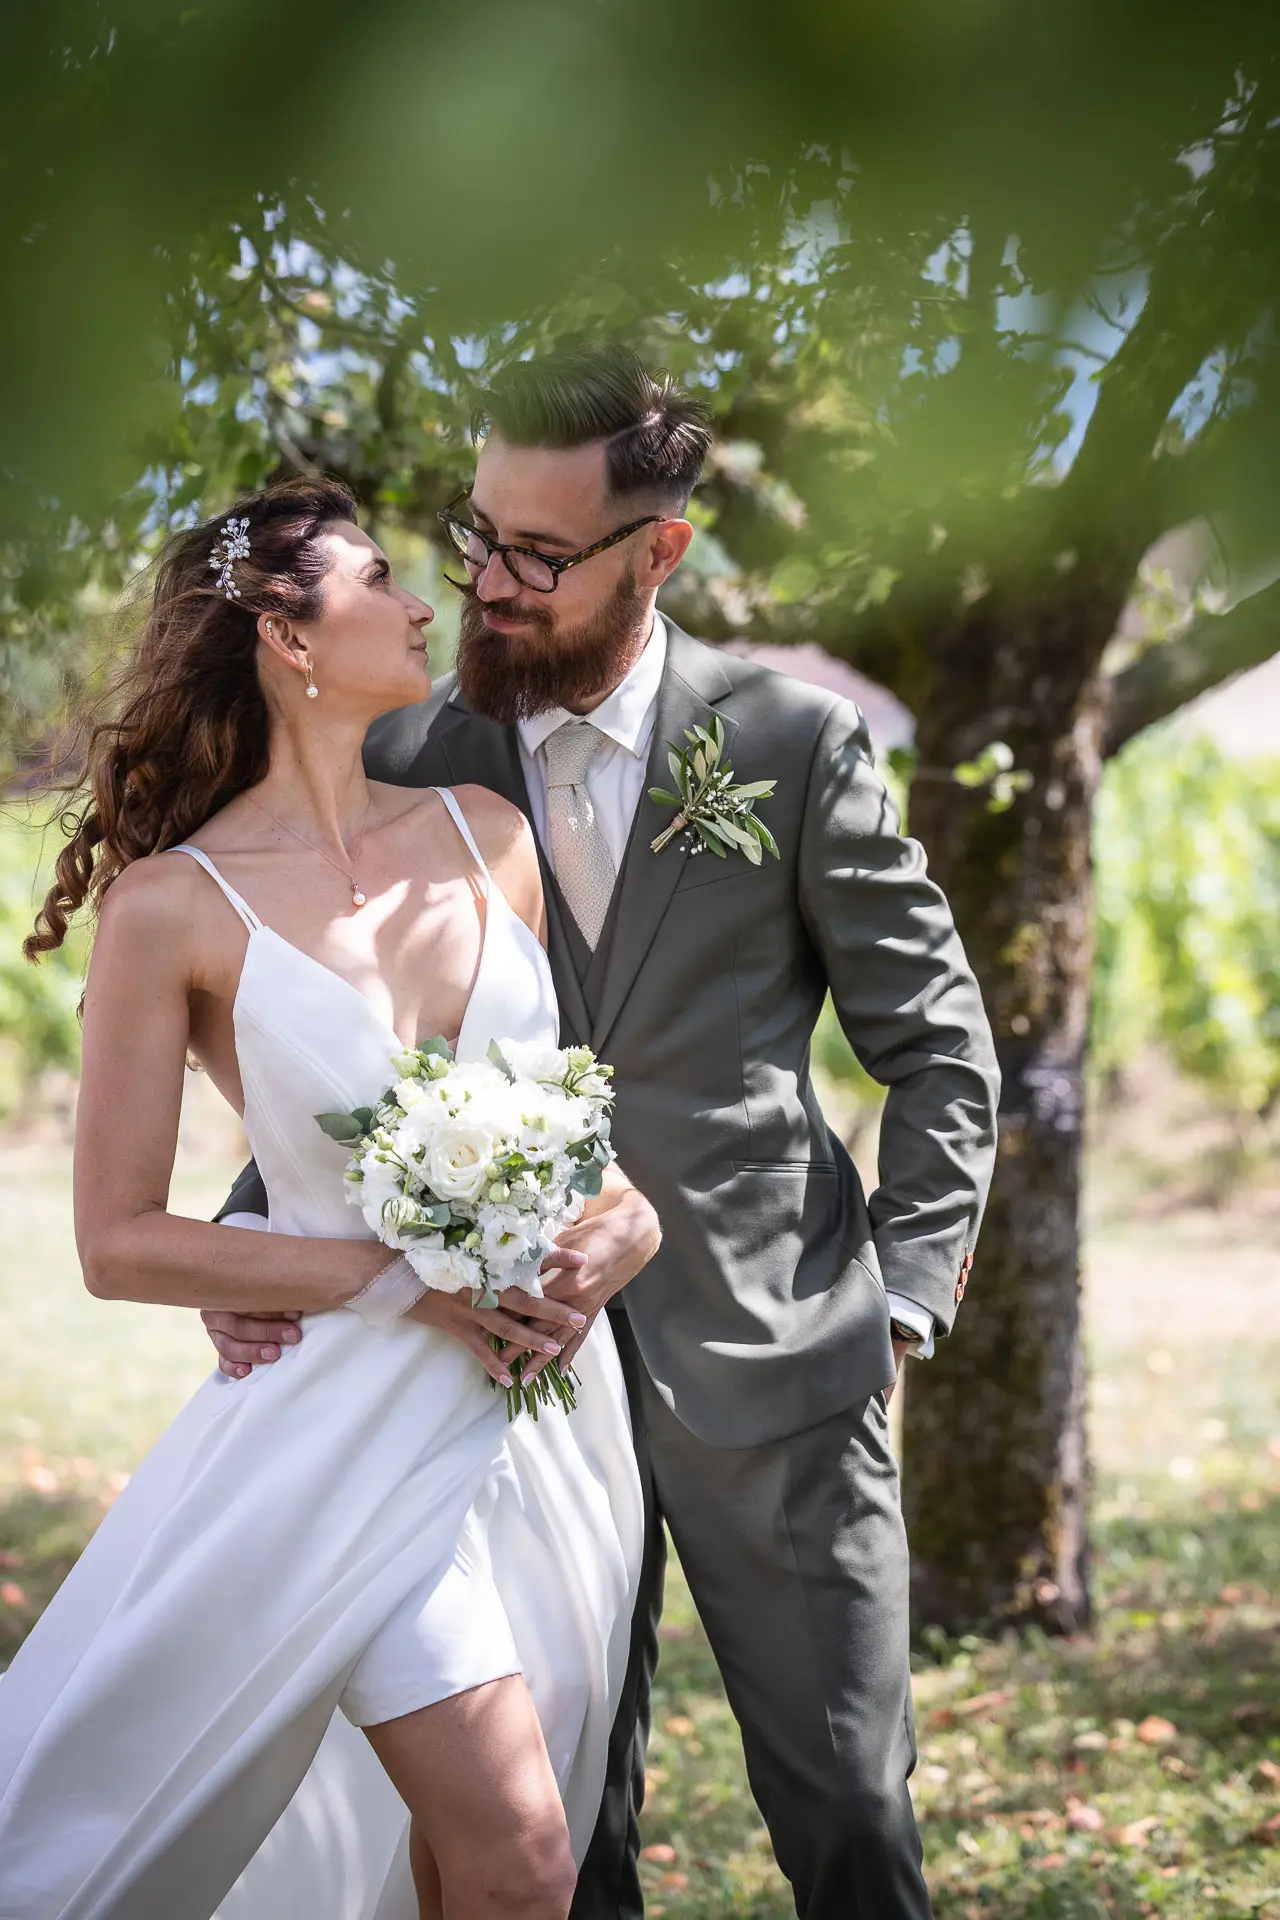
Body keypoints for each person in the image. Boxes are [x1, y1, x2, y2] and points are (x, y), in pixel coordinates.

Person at [208, 347, 1002, 1920]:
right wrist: (256, 1234)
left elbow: (941, 1047)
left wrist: (902, 1301)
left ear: (661, 552)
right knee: (570, 1821)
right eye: (478, 534)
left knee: (847, 1806)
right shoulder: (413, 757)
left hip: (775, 1348)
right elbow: (358, 1047)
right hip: (498, 1377)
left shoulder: (788, 743)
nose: (490, 585)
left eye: (542, 557)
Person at [0, 475, 661, 1920]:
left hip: (542, 1418)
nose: (428, 600)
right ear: (285, 636)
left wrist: (630, 1227)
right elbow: (117, 1243)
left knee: (469, 1858)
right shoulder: (173, 907)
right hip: (345, 1432)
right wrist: (382, 1277)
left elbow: (574, 1133)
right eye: (379, 577)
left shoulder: (488, 838)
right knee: (525, 1855)